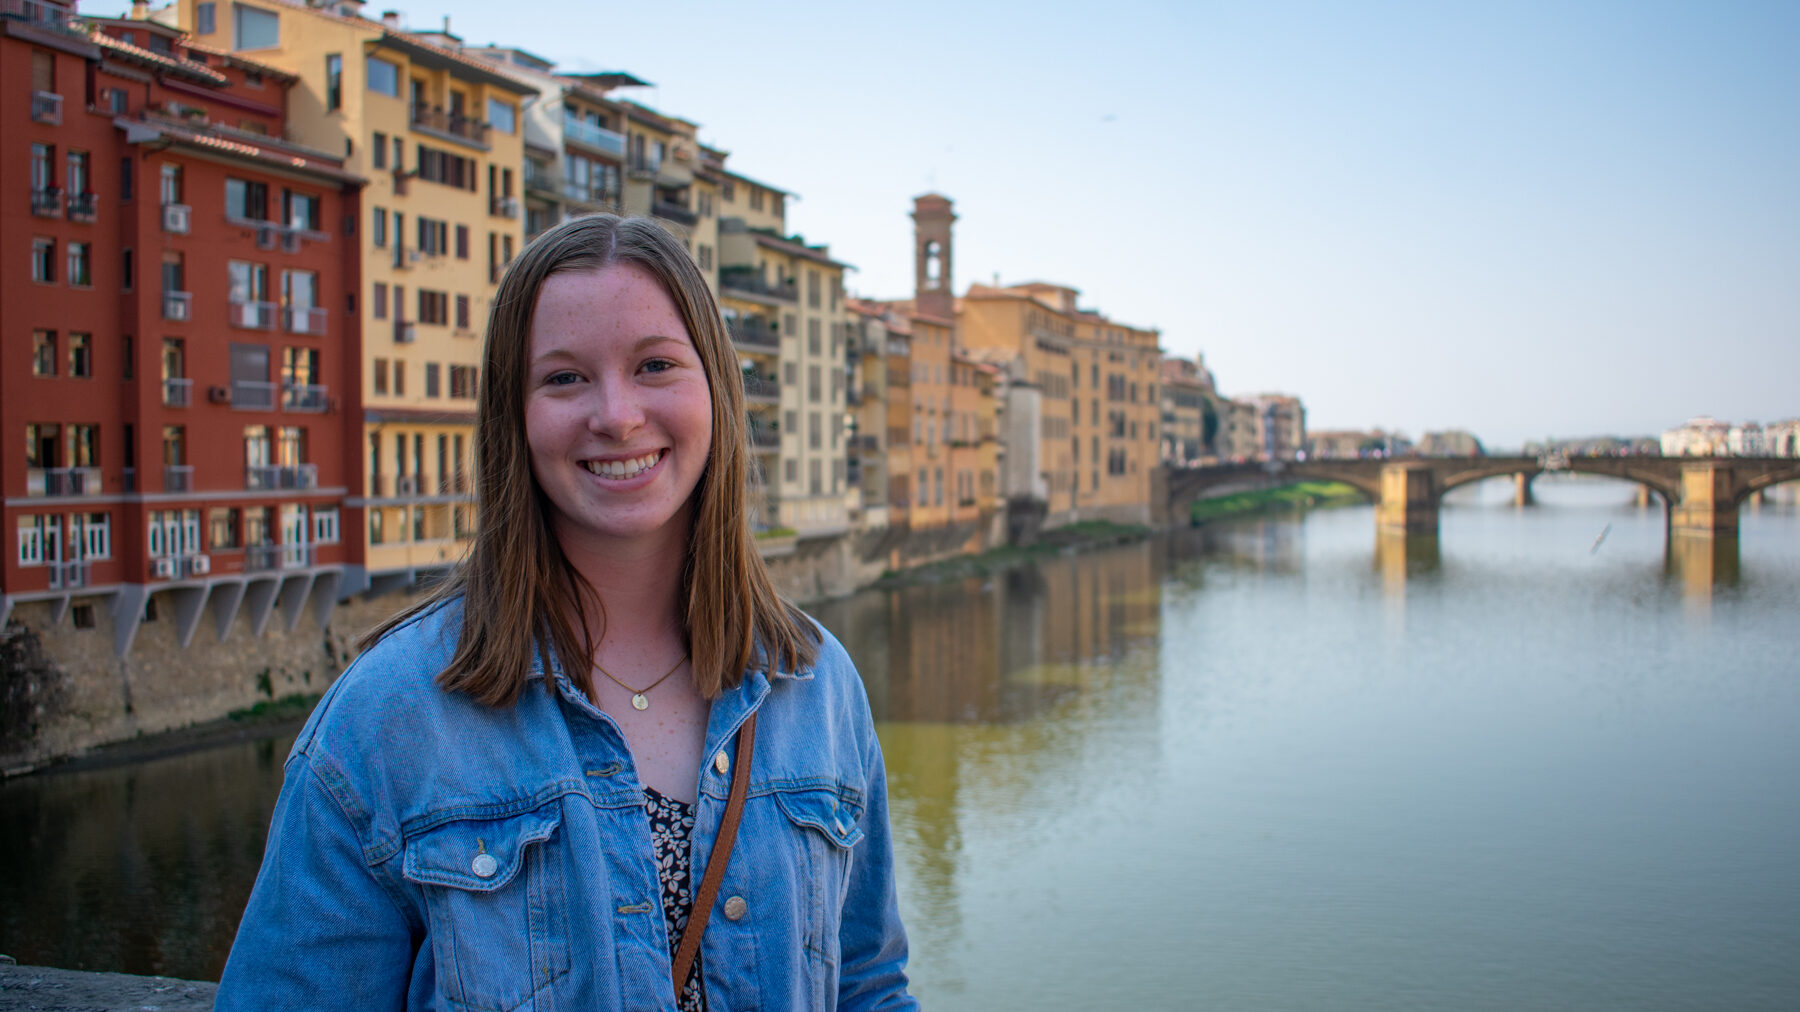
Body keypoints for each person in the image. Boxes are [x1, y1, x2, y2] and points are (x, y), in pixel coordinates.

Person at [216, 215, 916, 1011]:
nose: (616, 415)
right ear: (513, 416)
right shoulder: (386, 719)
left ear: (715, 390)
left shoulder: (818, 686)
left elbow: (867, 986)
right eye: (564, 378)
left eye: (654, 365)